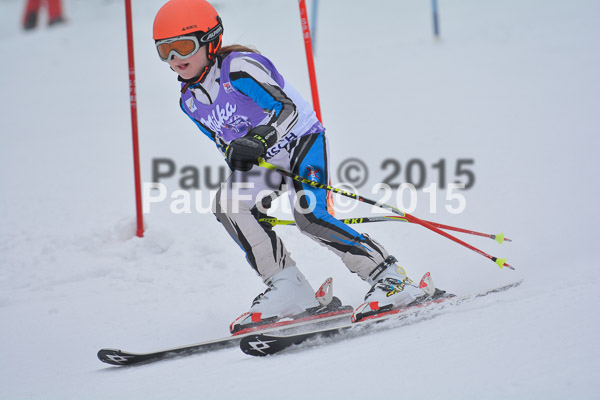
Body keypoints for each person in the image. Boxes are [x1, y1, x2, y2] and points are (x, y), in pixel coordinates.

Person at [152, 0, 446, 331]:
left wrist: (260, 139)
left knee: (309, 216)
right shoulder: (189, 100)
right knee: (228, 203)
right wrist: (240, 162)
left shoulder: (238, 68)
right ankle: (288, 287)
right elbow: (223, 141)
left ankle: (390, 277)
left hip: (301, 142)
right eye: (165, 51)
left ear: (211, 39)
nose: (175, 59)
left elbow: (286, 108)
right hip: (265, 161)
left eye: (182, 47)